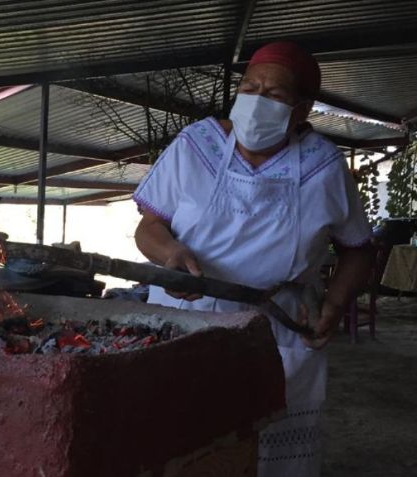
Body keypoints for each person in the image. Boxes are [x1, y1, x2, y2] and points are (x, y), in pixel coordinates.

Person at [132, 41, 374, 476]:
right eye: (249, 87)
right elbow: (149, 227)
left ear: (301, 110)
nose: (256, 101)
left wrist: (335, 305)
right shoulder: (196, 145)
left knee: (267, 452)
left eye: (274, 95)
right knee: (184, 444)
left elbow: (358, 250)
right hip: (187, 318)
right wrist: (170, 253)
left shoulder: (323, 166)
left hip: (276, 327)